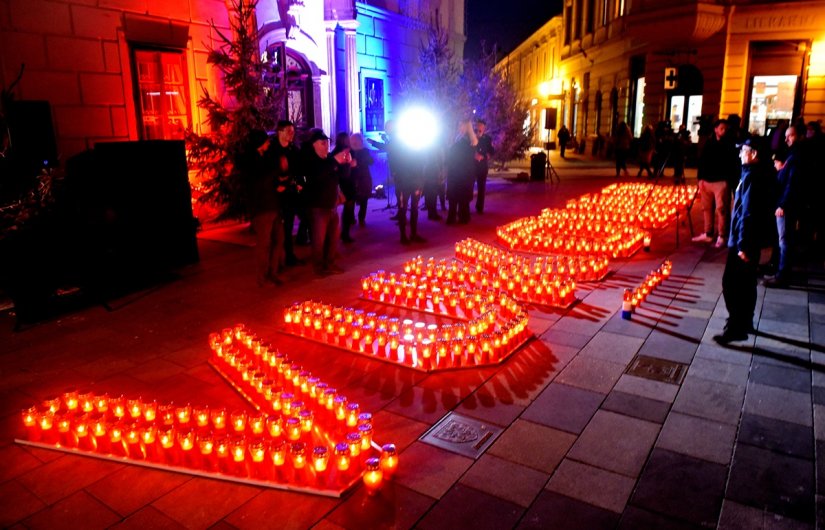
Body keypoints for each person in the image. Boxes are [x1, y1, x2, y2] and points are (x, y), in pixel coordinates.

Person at [714, 137, 771, 344]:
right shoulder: (756, 173)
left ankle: (736, 327)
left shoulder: (752, 178)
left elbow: (747, 213)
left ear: (754, 154)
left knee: (732, 283)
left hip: (743, 241)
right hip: (747, 240)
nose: (739, 154)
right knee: (747, 283)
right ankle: (746, 321)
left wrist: (742, 245)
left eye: (743, 150)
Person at [238, 129, 285, 286]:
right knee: (264, 243)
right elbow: (259, 182)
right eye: (266, 141)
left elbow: (268, 179)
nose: (268, 143)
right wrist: (275, 172)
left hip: (273, 205)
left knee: (278, 239)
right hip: (262, 208)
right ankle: (263, 276)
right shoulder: (250, 161)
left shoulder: (264, 157)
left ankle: (273, 271)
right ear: (259, 143)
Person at [302, 129, 351, 275]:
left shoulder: (329, 159)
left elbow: (343, 176)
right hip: (318, 207)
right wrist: (335, 161)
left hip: (332, 205)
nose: (326, 145)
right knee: (318, 240)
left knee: (333, 238)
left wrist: (346, 163)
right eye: (322, 143)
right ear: (314, 145)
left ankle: (330, 263)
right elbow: (317, 176)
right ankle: (318, 268)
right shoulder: (311, 161)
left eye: (327, 142)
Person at [765, 123, 806, 287]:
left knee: (785, 239)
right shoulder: (794, 153)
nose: (787, 139)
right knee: (784, 238)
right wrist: (782, 168)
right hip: (787, 202)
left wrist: (782, 204)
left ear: (800, 136)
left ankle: (783, 275)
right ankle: (781, 270)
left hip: (787, 204)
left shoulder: (797, 156)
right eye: (786, 136)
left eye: (791, 135)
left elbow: (792, 183)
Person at [692, 119, 739, 248]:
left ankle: (722, 235)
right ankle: (708, 233)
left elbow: (733, 163)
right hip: (706, 181)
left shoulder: (729, 144)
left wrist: (728, 181)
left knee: (721, 209)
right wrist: (700, 179)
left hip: (721, 182)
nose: (724, 131)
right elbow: (702, 161)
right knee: (707, 208)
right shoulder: (709, 143)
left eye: (725, 128)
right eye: (721, 128)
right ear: (716, 129)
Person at [271, 120, 304, 267]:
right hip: (276, 195)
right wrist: (278, 182)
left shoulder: (294, 150)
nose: (292, 134)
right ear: (280, 132)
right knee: (277, 229)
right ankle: (275, 261)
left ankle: (290, 256)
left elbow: (299, 170)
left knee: (289, 225)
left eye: (293, 131)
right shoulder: (272, 150)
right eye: (289, 131)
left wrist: (299, 183)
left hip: (291, 194)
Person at [446, 119, 478, 225]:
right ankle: (458, 216)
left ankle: (461, 216)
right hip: (457, 171)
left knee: (460, 195)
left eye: (462, 126)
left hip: (463, 172)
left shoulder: (469, 141)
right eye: (459, 125)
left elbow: (460, 154)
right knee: (455, 195)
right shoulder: (460, 139)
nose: (460, 128)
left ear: (467, 127)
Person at [332, 132, 357, 243]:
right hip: (345, 182)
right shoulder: (343, 152)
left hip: (346, 182)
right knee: (347, 207)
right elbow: (344, 170)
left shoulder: (337, 151)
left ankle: (344, 231)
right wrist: (350, 165)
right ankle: (344, 233)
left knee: (348, 207)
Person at [349, 133, 374, 226]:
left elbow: (371, 161)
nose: (354, 142)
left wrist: (359, 161)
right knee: (351, 199)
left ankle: (361, 218)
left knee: (364, 199)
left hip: (364, 177)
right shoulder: (348, 151)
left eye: (356, 140)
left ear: (360, 141)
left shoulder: (365, 151)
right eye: (352, 141)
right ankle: (351, 218)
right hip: (352, 178)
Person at [473, 119, 495, 214]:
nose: (479, 128)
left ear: (484, 128)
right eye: (477, 126)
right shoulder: (472, 137)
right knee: (468, 186)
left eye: (481, 126)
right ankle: (465, 206)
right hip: (472, 166)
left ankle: (479, 207)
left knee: (481, 187)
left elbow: (491, 152)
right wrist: (474, 155)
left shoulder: (487, 139)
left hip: (482, 166)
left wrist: (484, 156)